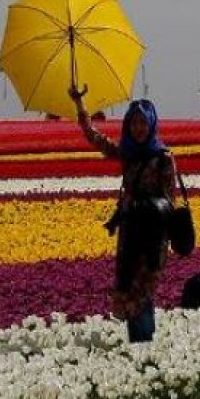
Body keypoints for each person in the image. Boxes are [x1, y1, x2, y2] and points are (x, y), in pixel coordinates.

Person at [70, 86, 182, 343]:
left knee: (143, 292)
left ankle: (143, 347)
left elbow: (169, 201)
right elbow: (93, 137)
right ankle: (141, 346)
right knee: (130, 289)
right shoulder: (128, 154)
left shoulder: (163, 159)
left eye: (143, 123)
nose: (138, 128)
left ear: (152, 124)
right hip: (130, 234)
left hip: (153, 237)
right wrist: (80, 103)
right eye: (134, 123)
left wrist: (144, 206)